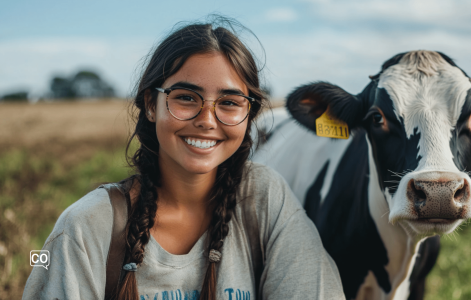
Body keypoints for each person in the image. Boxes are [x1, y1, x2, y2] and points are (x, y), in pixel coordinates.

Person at [22, 18, 344, 300]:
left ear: (249, 115)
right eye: (186, 98)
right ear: (151, 105)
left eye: (230, 102)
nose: (207, 119)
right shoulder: (85, 227)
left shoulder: (264, 199)